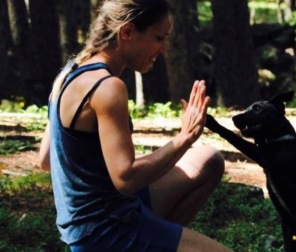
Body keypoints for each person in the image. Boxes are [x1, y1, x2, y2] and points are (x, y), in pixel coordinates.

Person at [39, 0, 232, 251]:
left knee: (208, 159)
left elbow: (45, 159)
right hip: (108, 231)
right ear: (127, 32)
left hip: (111, 213)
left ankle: (158, 241)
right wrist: (185, 137)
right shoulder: (107, 87)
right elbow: (126, 179)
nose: (163, 49)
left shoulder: (69, 72)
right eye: (159, 38)